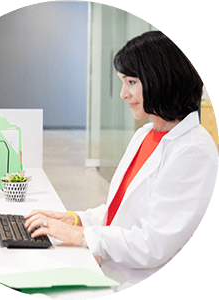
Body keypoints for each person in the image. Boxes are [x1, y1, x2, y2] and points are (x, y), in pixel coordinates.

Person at [24, 31, 218, 285]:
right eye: (122, 82)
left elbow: (155, 243)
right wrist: (75, 219)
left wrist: (81, 235)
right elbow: (124, 212)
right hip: (113, 267)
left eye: (131, 82)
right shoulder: (147, 134)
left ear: (160, 80)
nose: (123, 94)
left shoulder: (193, 150)